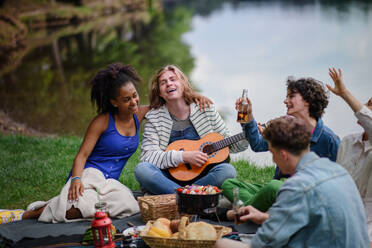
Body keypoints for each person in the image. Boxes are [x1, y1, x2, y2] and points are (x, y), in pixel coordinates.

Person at [9, 63, 211, 223]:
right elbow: (82, 155)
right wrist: (76, 179)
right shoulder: (102, 121)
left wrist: (194, 96)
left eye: (134, 96)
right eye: (126, 99)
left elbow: (167, 100)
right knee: (75, 208)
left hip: (108, 183)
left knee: (129, 206)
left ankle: (54, 205)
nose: (133, 102)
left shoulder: (138, 114)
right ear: (114, 102)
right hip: (90, 174)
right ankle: (24, 215)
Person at [215, 116, 369, 248]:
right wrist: (265, 217)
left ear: (283, 154)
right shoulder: (338, 171)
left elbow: (263, 242)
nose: (274, 159)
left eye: (272, 154)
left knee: (222, 244)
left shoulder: (296, 187)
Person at [222, 76, 340, 212]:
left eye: (291, 97)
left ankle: (243, 211)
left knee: (273, 187)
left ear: (308, 100)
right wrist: (249, 117)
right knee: (230, 184)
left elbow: (335, 184)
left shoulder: (329, 140)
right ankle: (260, 209)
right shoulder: (288, 128)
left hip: (303, 196)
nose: (285, 101)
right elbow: (257, 145)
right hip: (278, 189)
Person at [134, 64, 249, 195]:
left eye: (173, 79)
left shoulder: (205, 108)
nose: (169, 84)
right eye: (163, 82)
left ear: (183, 84)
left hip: (202, 177)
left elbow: (231, 146)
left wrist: (248, 133)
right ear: (160, 92)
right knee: (142, 170)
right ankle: (189, 196)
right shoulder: (154, 117)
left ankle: (177, 196)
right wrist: (184, 156)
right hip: (167, 178)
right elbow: (148, 157)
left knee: (227, 171)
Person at [327, 67, 372, 241]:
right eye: (367, 104)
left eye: (369, 107)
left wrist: (344, 92)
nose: (365, 108)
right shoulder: (347, 142)